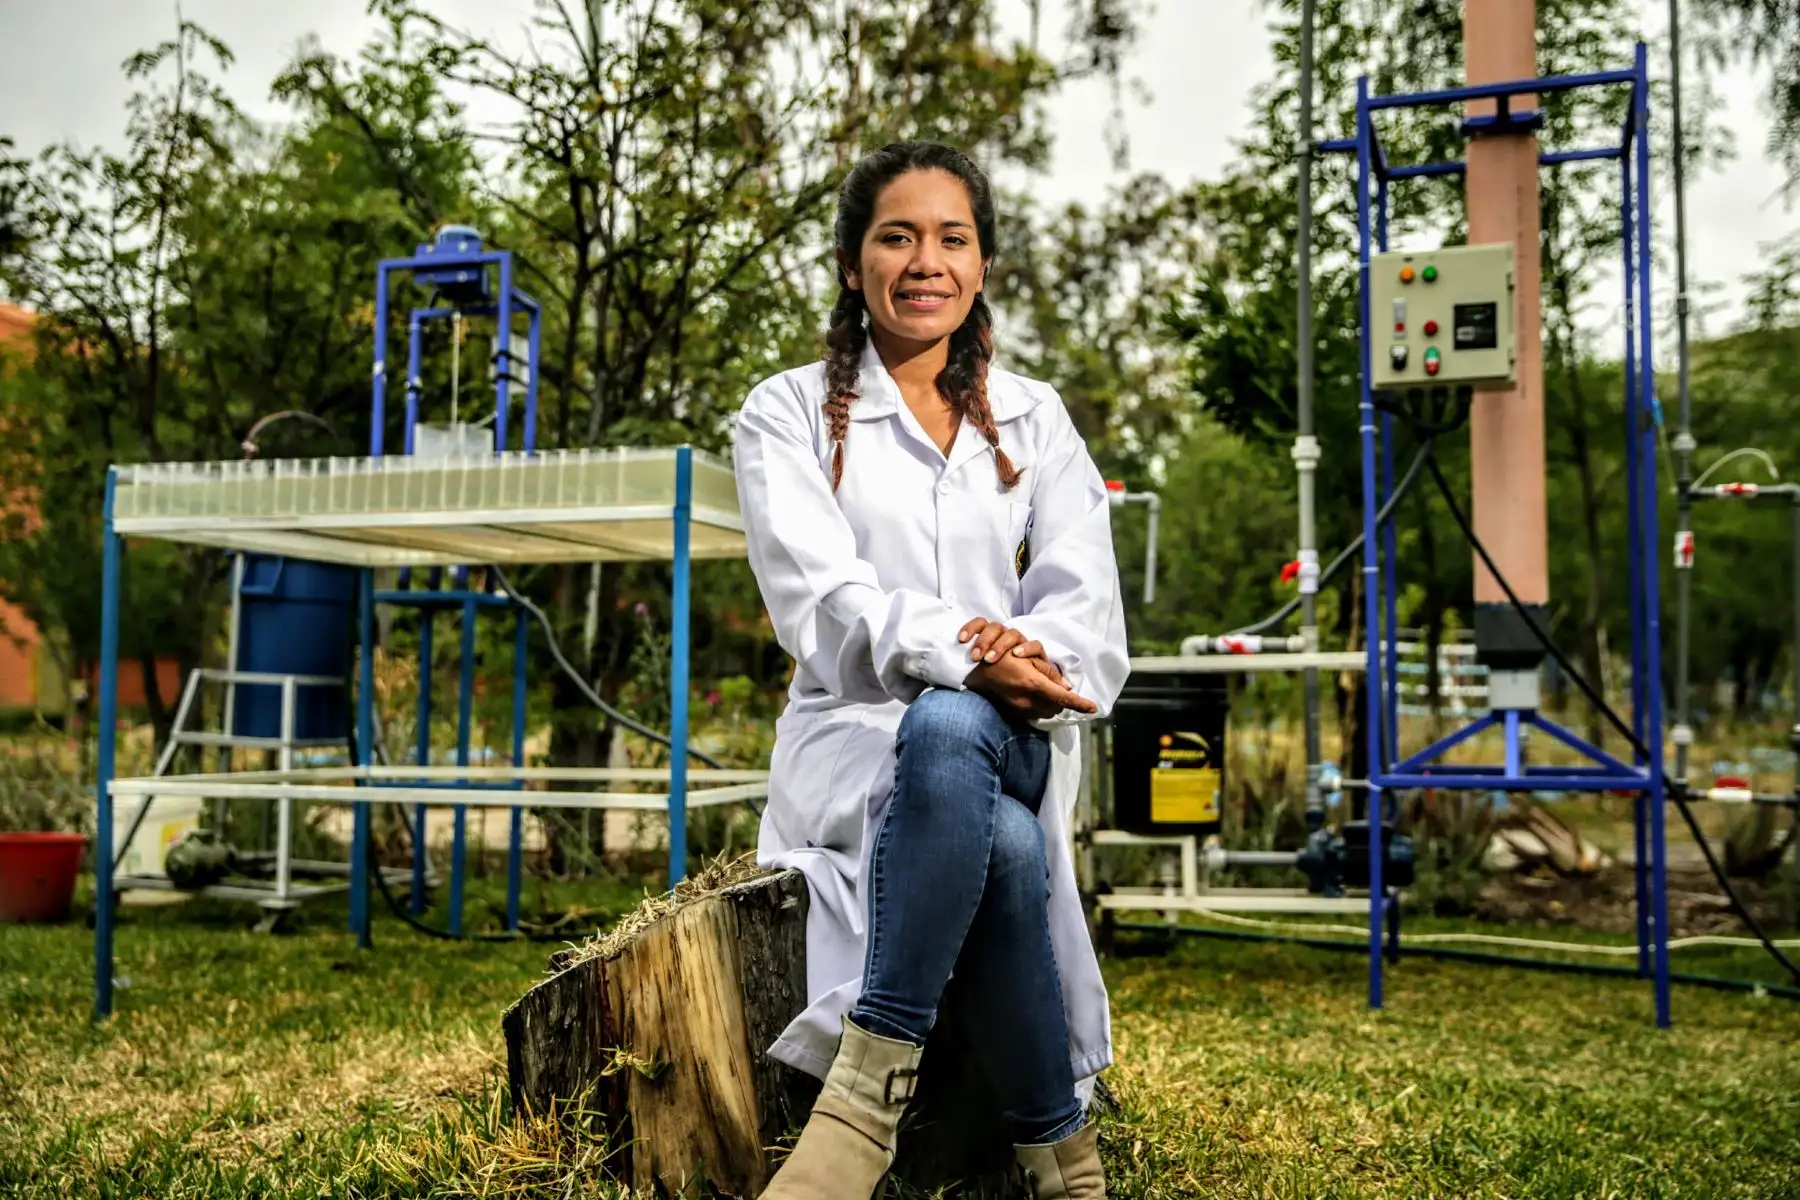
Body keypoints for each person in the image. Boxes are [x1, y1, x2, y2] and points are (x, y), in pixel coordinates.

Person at [732, 140, 1130, 1200]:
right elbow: (822, 602)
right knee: (965, 776)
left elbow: (1085, 603)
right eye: (896, 236)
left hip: (1018, 736)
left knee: (956, 730)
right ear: (853, 260)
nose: (925, 261)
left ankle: (859, 1107)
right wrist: (964, 653)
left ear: (984, 263)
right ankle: (1066, 1165)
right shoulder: (785, 413)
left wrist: (1019, 662)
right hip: (849, 737)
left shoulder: (1036, 417)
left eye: (952, 238)